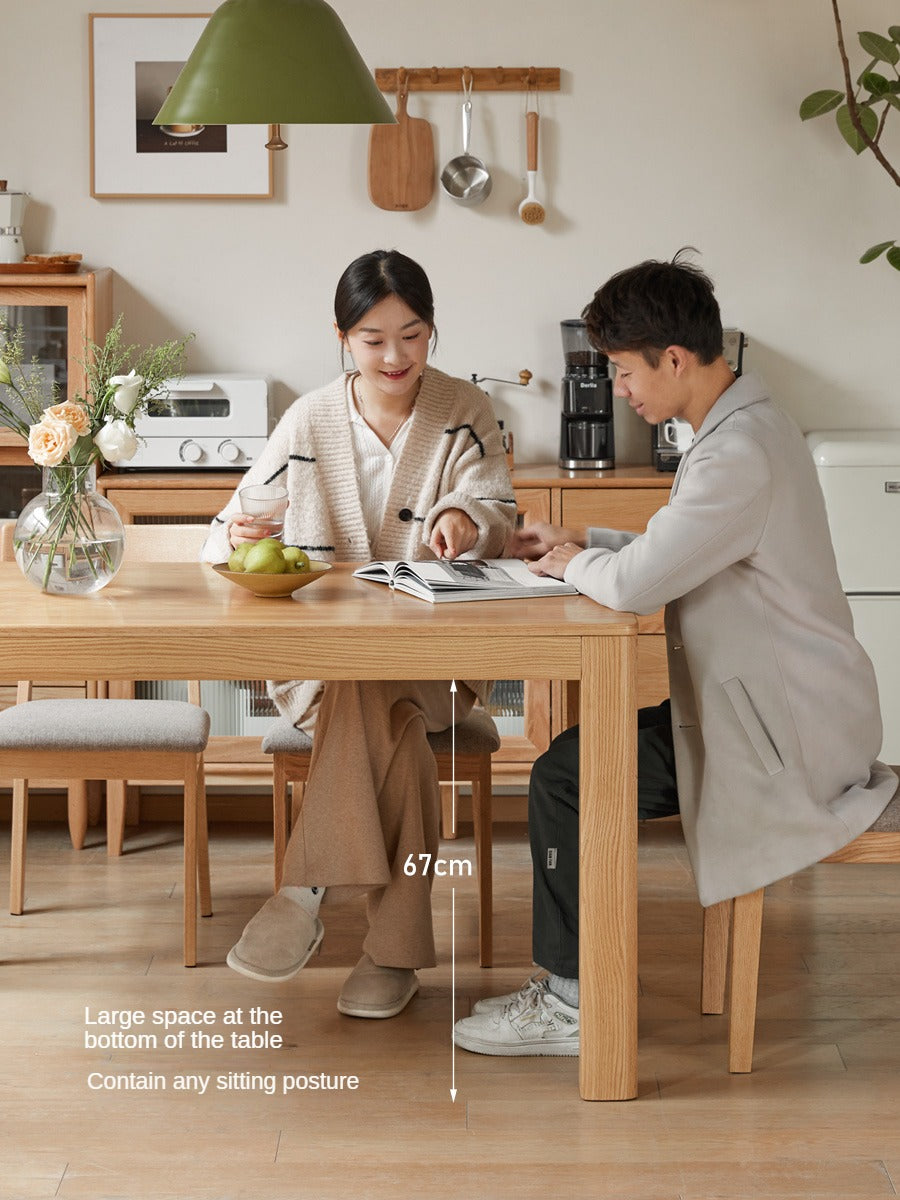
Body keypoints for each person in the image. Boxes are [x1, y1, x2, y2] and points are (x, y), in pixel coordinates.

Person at [453, 251, 898, 1056]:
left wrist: (579, 563)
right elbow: (696, 548)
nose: (618, 389)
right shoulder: (747, 427)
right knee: (578, 766)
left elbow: (635, 587)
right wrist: (586, 541)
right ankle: (573, 987)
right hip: (771, 706)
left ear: (675, 359)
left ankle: (573, 1002)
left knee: (566, 776)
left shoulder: (735, 454)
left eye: (623, 371)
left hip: (780, 736)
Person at [201, 249, 517, 1018]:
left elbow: (499, 511)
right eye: (374, 339)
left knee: (384, 694)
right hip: (323, 671)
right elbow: (225, 532)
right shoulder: (309, 417)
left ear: (432, 332)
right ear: (342, 337)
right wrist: (242, 526)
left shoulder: (466, 409)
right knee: (393, 728)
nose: (395, 356)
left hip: (440, 665)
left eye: (412, 336)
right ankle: (391, 958)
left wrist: (462, 519)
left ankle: (307, 885)